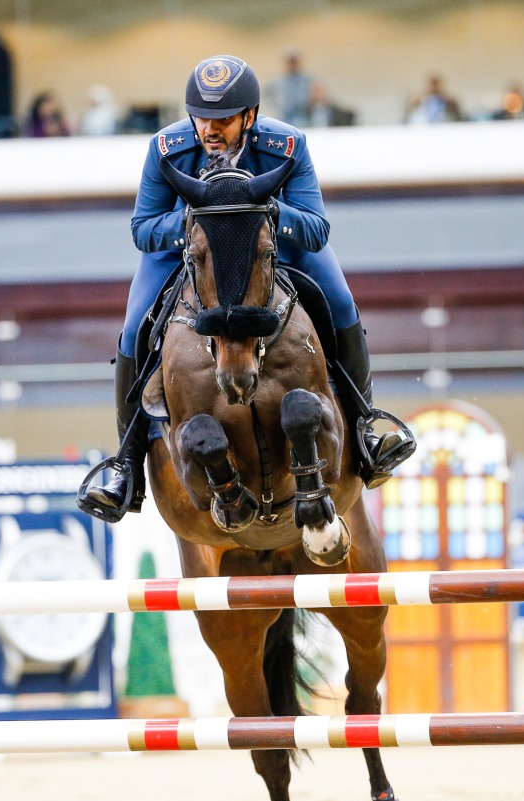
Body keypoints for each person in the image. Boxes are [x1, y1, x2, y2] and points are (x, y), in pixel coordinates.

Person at [79, 54, 415, 522]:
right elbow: (142, 228)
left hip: (273, 245)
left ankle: (366, 428)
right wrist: (202, 224)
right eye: (202, 118)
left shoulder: (287, 144)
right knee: (135, 326)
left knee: (339, 301)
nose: (210, 129)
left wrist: (264, 216)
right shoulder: (166, 148)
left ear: (250, 116)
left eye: (223, 119)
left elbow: (316, 227)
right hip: (192, 253)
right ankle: (126, 464)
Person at [270, 50, 313, 129]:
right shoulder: (279, 80)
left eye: (294, 62)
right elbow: (267, 95)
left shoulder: (307, 79)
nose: (293, 65)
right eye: (290, 62)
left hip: (303, 115)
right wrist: (277, 104)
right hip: (286, 117)